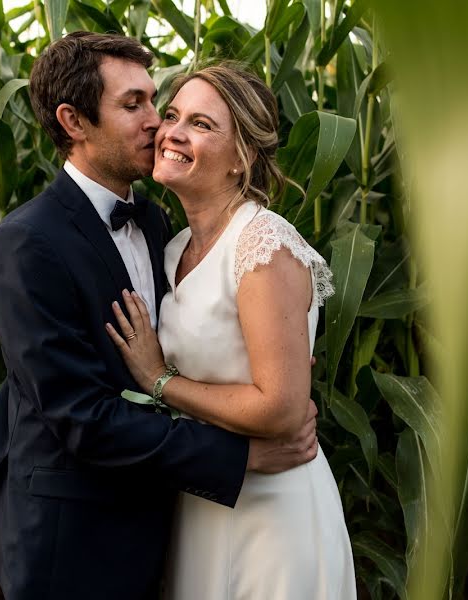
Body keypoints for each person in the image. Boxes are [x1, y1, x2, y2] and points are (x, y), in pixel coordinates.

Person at [0, 32, 321, 599]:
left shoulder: (165, 230)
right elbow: (79, 415)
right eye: (133, 104)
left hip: (175, 524)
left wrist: (287, 388)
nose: (156, 123)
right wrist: (240, 455)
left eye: (153, 100)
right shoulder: (27, 244)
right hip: (73, 542)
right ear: (73, 120)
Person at [105, 63, 357, 599]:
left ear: (241, 158)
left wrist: (160, 381)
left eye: (201, 124)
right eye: (171, 115)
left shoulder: (261, 246)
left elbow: (283, 408)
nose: (171, 132)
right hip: (204, 499)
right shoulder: (173, 250)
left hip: (271, 517)